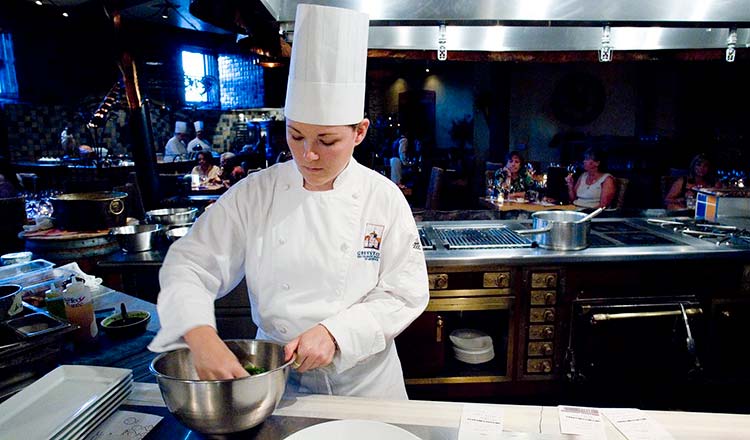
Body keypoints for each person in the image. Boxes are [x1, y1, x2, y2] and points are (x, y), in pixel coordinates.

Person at [148, 4, 429, 400]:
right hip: (277, 382)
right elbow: (190, 263)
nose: (307, 155)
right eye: (295, 136)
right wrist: (199, 334)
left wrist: (337, 333)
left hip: (366, 387)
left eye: (326, 141)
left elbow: (406, 291)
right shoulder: (255, 193)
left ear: (360, 132)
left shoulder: (382, 198)